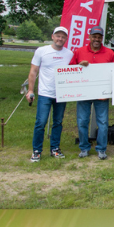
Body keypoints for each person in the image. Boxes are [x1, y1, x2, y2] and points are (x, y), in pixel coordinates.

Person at [23, 26, 75, 162]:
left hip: (61, 94)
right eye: (58, 36)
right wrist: (30, 90)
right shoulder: (41, 51)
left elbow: (74, 73)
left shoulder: (69, 54)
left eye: (63, 37)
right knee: (40, 122)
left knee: (58, 122)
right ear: (52, 36)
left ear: (66, 39)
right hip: (45, 93)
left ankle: (55, 149)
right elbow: (33, 71)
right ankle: (36, 151)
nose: (60, 39)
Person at [69, 27, 114, 159]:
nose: (96, 39)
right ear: (89, 37)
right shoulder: (79, 51)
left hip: (102, 95)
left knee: (102, 122)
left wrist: (110, 92)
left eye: (99, 37)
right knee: (82, 121)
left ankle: (101, 149)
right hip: (83, 93)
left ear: (102, 38)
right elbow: (70, 70)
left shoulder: (109, 53)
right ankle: (84, 148)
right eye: (94, 36)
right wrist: (79, 65)